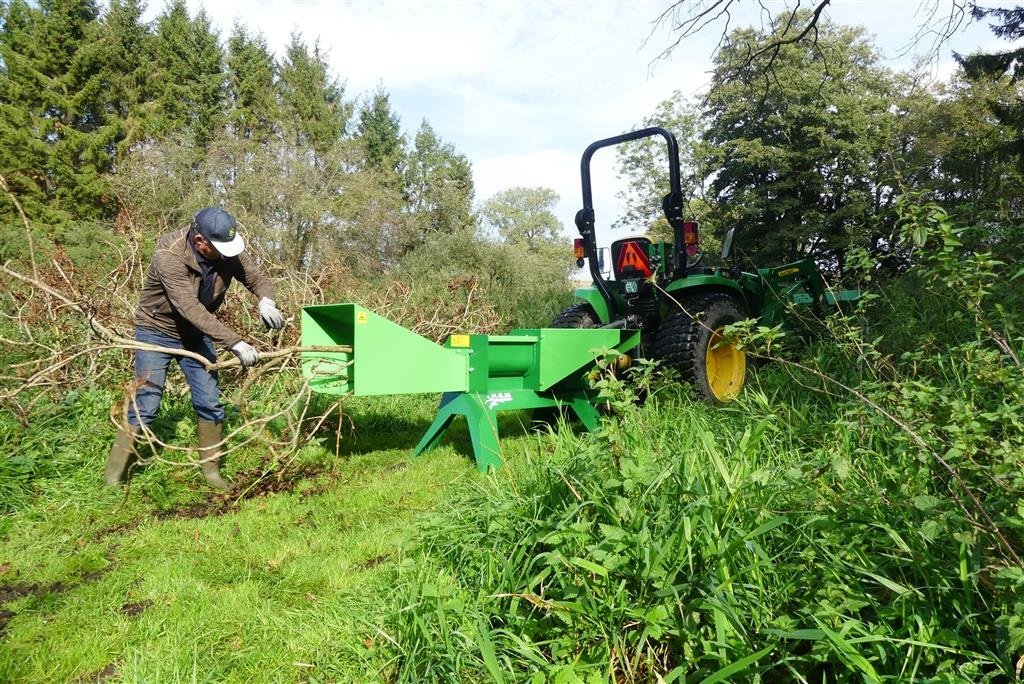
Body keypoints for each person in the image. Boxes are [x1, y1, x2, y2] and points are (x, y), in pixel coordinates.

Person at [104, 207, 286, 489]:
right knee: (147, 404)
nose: (227, 254)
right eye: (218, 248)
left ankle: (211, 474)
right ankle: (114, 478)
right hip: (156, 331)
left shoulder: (226, 250)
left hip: (196, 334)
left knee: (210, 402)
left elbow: (256, 277)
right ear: (200, 241)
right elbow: (189, 308)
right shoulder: (169, 255)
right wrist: (235, 342)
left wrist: (266, 301)